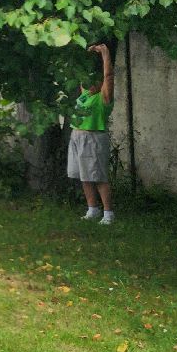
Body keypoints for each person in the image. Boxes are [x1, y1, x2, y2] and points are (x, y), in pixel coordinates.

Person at [70, 43, 115, 225]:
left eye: (93, 80)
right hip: (77, 137)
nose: (88, 83)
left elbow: (109, 77)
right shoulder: (84, 95)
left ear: (100, 83)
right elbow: (80, 73)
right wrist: (85, 53)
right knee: (85, 175)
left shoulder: (102, 98)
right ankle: (92, 209)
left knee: (98, 176)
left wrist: (105, 54)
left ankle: (108, 213)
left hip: (93, 138)